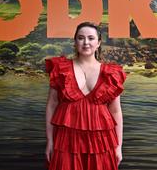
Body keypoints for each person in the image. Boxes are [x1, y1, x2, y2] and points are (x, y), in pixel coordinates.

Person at [45, 21, 127, 170]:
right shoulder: (61, 69)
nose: (86, 42)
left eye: (91, 38)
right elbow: (51, 106)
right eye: (81, 38)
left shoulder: (111, 73)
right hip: (67, 141)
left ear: (98, 43)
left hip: (101, 141)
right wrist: (50, 141)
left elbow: (116, 111)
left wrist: (118, 146)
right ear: (75, 42)